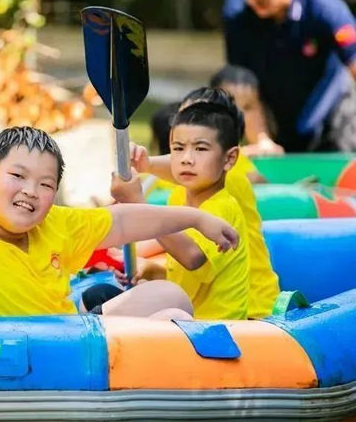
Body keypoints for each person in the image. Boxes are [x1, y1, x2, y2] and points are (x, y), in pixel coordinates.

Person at [0, 126, 239, 320]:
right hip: (9, 362)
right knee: (172, 321)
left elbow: (120, 223)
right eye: (17, 176)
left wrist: (197, 218)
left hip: (73, 343)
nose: (30, 191)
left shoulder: (54, 223)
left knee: (172, 297)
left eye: (46, 184)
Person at [119, 88, 280, 319]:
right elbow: (196, 268)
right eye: (179, 144)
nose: (188, 157)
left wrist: (145, 173)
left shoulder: (229, 185)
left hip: (254, 311)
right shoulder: (180, 194)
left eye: (201, 145)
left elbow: (193, 255)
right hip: (195, 311)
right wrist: (156, 269)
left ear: (228, 155)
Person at [223, 0, 356, 152]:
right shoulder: (236, 14)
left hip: (333, 115)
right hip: (275, 117)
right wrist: (261, 140)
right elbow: (243, 86)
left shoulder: (324, 6)